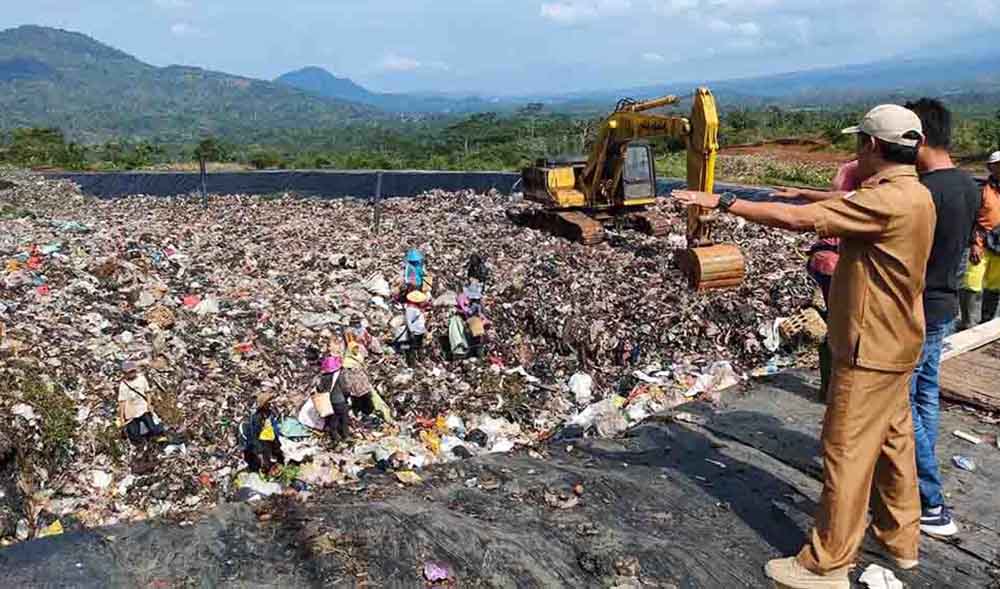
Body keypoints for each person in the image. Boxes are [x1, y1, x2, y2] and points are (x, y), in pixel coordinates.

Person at [675, 104, 934, 588]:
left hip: (868, 347)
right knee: (895, 444)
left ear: (870, 147)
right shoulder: (914, 195)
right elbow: (833, 203)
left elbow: (799, 220)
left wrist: (725, 203)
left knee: (846, 452)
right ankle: (901, 541)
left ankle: (826, 565)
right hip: (900, 341)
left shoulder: (886, 202)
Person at [903, 98, 980, 538]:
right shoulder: (969, 186)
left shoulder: (924, 193)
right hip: (944, 306)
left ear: (920, 139)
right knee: (926, 397)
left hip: (917, 310)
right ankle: (921, 468)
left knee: (902, 403)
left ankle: (930, 500)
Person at [773, 160, 862, 402]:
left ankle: (830, 387)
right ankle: (836, 389)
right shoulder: (861, 176)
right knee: (840, 328)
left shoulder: (853, 172)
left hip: (826, 262)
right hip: (836, 264)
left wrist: (802, 193)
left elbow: (836, 197)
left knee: (830, 327)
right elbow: (841, 197)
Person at [962, 151, 1000, 326]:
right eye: (998, 164)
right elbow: (972, 219)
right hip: (982, 243)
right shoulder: (982, 189)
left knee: (995, 285)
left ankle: (986, 322)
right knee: (971, 283)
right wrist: (974, 244)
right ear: (990, 167)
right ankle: (968, 323)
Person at [117, 360, 166, 444]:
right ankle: (142, 443)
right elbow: (122, 401)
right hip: (131, 412)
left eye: (133, 371)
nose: (131, 373)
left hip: (143, 407)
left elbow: (147, 392)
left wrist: (149, 404)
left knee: (152, 426)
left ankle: (159, 437)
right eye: (129, 372)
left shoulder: (141, 379)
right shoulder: (123, 385)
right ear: (125, 373)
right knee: (134, 433)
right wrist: (121, 417)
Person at [241, 392, 284, 474]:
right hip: (262, 443)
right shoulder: (256, 417)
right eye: (268, 402)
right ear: (264, 404)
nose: (270, 403)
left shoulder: (269, 412)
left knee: (279, 456)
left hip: (271, 439)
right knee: (266, 462)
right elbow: (255, 436)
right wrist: (260, 451)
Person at [316, 355, 350, 444]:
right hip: (340, 401)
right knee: (344, 419)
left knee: (333, 419)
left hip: (328, 402)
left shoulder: (323, 378)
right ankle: (346, 436)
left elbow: (320, 389)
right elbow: (345, 389)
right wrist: (347, 397)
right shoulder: (339, 376)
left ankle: (336, 437)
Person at [403, 290, 429, 366]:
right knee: (412, 348)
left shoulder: (416, 307)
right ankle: (412, 364)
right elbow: (409, 321)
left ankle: (421, 361)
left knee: (419, 346)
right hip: (414, 331)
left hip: (419, 331)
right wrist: (411, 331)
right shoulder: (410, 308)